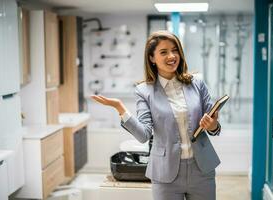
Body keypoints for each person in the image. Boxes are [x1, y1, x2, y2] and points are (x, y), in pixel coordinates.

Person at [91, 30, 221, 200]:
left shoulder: (197, 83)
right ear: (152, 58)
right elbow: (144, 135)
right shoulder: (144, 91)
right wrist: (120, 108)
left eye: (175, 50)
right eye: (164, 52)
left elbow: (214, 124)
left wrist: (213, 126)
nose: (171, 56)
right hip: (165, 173)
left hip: (202, 169)